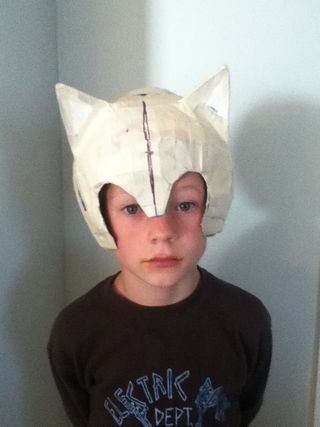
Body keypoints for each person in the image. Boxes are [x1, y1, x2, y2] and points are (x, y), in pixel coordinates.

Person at [48, 66, 272, 427]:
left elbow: (243, 410)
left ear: (210, 205)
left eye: (184, 205)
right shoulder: (75, 333)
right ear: (101, 216)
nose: (161, 232)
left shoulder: (246, 321)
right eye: (132, 209)